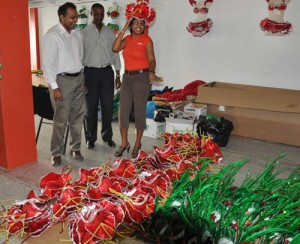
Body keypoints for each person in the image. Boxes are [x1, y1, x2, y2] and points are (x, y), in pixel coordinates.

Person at [112, 1, 163, 159]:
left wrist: (152, 72)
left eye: (142, 23)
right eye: (135, 22)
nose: (139, 26)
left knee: (139, 111)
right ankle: (124, 143)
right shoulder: (126, 39)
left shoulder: (147, 40)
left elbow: (152, 59)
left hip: (142, 77)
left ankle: (137, 143)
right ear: (131, 23)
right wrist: (124, 28)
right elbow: (114, 48)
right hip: (127, 77)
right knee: (123, 111)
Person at [43, 2, 85, 166]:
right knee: (61, 119)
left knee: (78, 115)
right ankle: (56, 153)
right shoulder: (52, 35)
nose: (75, 20)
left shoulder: (77, 34)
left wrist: (82, 78)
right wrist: (54, 86)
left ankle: (75, 148)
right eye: (72, 17)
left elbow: (79, 57)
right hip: (62, 81)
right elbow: (48, 64)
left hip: (78, 79)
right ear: (62, 17)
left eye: (76, 16)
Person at [82, 3, 121, 150]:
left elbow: (116, 53)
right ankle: (90, 138)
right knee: (90, 108)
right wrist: (82, 78)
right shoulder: (84, 33)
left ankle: (107, 136)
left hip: (106, 73)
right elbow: (80, 56)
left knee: (107, 107)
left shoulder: (110, 33)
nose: (98, 16)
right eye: (96, 14)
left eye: (101, 14)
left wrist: (118, 74)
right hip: (89, 73)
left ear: (104, 14)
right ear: (92, 14)